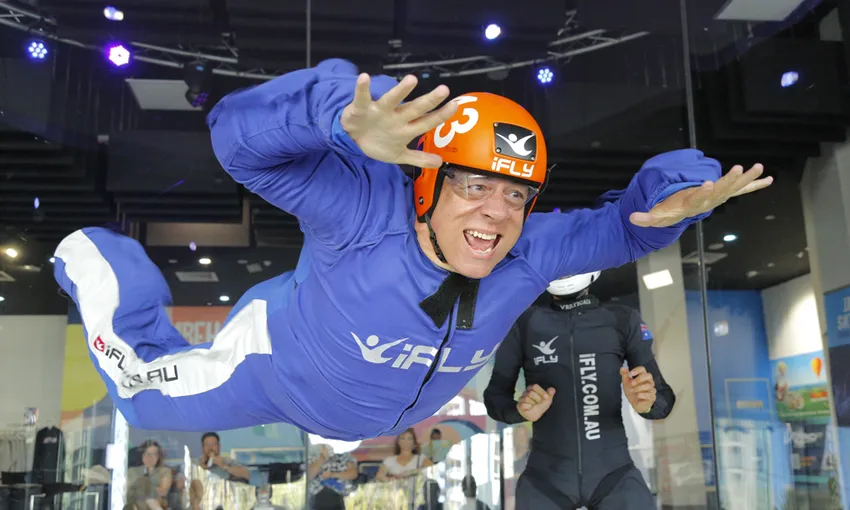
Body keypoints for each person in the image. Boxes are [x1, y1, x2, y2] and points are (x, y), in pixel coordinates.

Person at [52, 58, 771, 439]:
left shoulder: (530, 252)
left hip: (374, 415)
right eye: (474, 189)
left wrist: (678, 195)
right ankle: (96, 256)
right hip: (275, 368)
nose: (497, 214)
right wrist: (335, 117)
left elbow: (624, 225)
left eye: (517, 195)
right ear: (427, 190)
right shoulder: (365, 206)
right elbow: (236, 143)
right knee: (140, 400)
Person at [483, 271, 675, 510]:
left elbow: (664, 400)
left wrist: (648, 404)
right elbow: (494, 398)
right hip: (545, 481)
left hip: (614, 476)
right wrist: (520, 412)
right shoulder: (526, 324)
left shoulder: (622, 319)